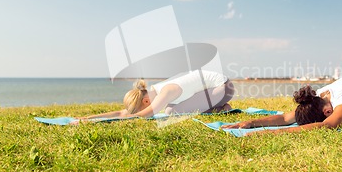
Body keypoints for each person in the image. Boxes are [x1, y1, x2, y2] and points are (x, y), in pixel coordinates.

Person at [77, 70, 235, 121]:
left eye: (142, 107)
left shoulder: (166, 91)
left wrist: (126, 120)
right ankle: (220, 108)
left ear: (146, 100)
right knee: (170, 110)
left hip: (223, 88)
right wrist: (88, 119)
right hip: (212, 90)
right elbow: (122, 113)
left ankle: (220, 108)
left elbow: (143, 115)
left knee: (172, 112)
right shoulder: (155, 91)